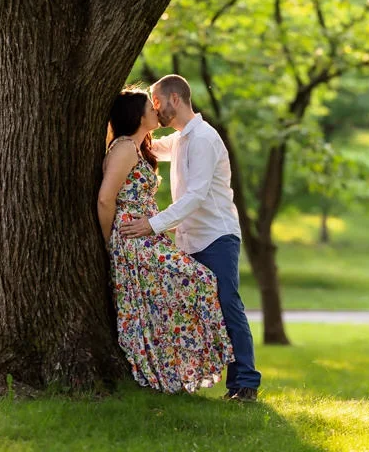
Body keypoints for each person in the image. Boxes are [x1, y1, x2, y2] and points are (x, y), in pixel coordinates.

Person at [120, 75, 262, 402]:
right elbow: (147, 145)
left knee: (228, 305)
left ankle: (245, 382)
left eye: (156, 102)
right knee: (189, 311)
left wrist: (152, 224)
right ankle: (182, 379)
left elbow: (197, 195)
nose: (155, 109)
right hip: (190, 240)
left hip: (217, 237)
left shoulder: (204, 139)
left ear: (174, 99)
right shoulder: (182, 137)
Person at [98, 88, 232, 394]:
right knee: (199, 279)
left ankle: (173, 370)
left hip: (148, 234)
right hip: (133, 238)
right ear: (137, 114)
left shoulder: (138, 147)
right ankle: (169, 368)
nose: (156, 109)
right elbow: (106, 200)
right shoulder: (122, 149)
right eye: (150, 105)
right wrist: (108, 244)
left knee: (173, 296)